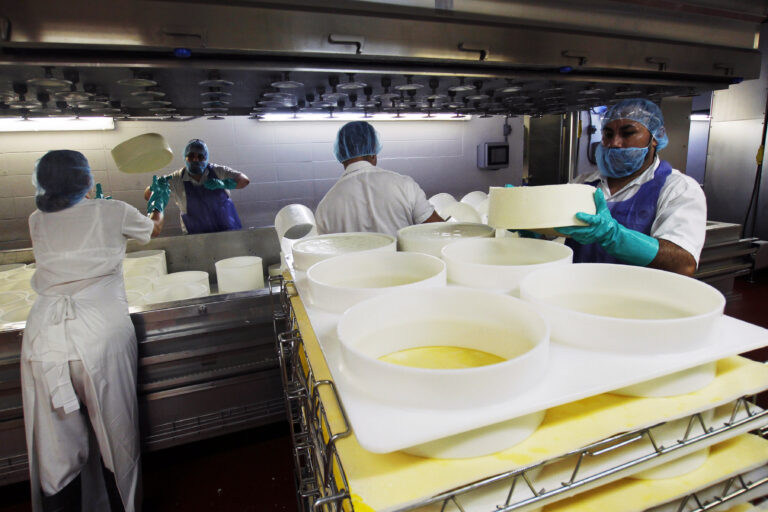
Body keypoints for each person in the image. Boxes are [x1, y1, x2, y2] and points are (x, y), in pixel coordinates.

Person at [21, 150, 163, 512]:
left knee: (56, 451)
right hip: (100, 334)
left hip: (44, 338)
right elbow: (153, 230)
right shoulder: (112, 211)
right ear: (85, 179)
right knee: (117, 434)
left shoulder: (36, 220)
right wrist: (158, 203)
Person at [557, 98, 706, 276]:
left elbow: (683, 265)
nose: (615, 143)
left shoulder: (678, 188)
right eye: (608, 134)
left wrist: (614, 237)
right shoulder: (581, 183)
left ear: (655, 137)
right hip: (577, 291)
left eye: (627, 133)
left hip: (639, 298)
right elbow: (552, 230)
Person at [315, 121, 443, 236]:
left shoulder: (325, 206)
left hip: (353, 263)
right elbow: (440, 230)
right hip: (402, 262)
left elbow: (327, 254)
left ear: (341, 155)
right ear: (373, 153)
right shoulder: (404, 185)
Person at [143, 138, 250, 234]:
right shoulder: (176, 179)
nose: (195, 160)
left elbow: (244, 180)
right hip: (196, 238)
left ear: (206, 158)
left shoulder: (219, 171)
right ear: (185, 158)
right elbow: (147, 195)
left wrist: (224, 183)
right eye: (191, 156)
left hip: (228, 232)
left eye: (200, 156)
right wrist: (155, 189)